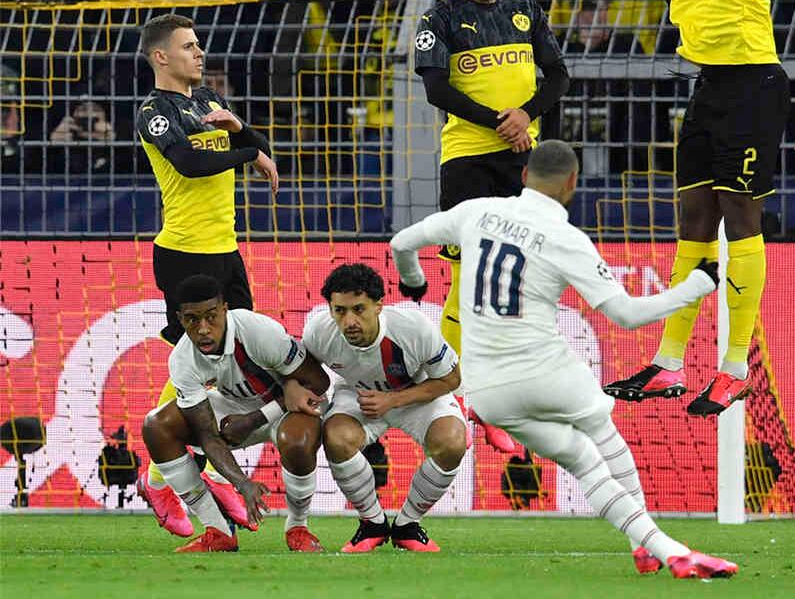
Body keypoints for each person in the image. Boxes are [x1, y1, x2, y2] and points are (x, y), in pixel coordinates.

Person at [388, 140, 737, 579]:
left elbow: (402, 241)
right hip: (546, 371)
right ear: (572, 183)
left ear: (523, 177)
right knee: (603, 438)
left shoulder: (475, 212)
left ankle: (662, 550)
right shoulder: (567, 238)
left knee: (582, 461)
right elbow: (625, 315)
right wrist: (696, 287)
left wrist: (414, 280)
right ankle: (642, 546)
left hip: (487, 393)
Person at [602, 0, 789, 417]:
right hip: (709, 87)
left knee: (740, 218)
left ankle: (734, 368)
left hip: (753, 86)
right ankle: (670, 361)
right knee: (693, 220)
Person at [411, 0, 570, 451]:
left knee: (511, 282)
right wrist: (499, 121)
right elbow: (436, 89)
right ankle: (460, 393)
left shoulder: (526, 13)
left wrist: (524, 116)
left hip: (521, 163)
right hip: (469, 162)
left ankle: (494, 397)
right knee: (467, 277)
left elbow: (560, 77)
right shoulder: (440, 19)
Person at [133, 14, 279, 540]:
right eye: (188, 46)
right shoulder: (154, 110)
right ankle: (160, 476)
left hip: (225, 251)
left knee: (236, 363)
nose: (199, 53)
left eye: (199, 45)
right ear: (161, 57)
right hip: (184, 255)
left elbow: (251, 138)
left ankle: (205, 470)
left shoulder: (207, 101)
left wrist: (245, 135)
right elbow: (191, 164)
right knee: (194, 363)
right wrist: (248, 153)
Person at [140, 274, 331, 552]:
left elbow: (319, 383)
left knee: (298, 439)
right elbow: (208, 436)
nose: (204, 328)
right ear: (181, 319)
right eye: (193, 319)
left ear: (225, 310)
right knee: (156, 426)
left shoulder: (256, 330)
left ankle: (298, 528)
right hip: (237, 407)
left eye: (211, 317)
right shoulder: (182, 361)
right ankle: (218, 533)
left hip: (289, 408)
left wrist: (258, 417)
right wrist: (242, 483)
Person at [300, 264, 468, 553]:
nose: (349, 321)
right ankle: (372, 523)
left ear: (379, 305)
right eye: (339, 311)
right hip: (358, 394)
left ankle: (407, 525)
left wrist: (393, 400)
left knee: (453, 442)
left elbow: (452, 378)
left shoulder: (412, 327)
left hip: (416, 393)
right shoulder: (318, 331)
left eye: (358, 309)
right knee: (336, 437)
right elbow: (303, 372)